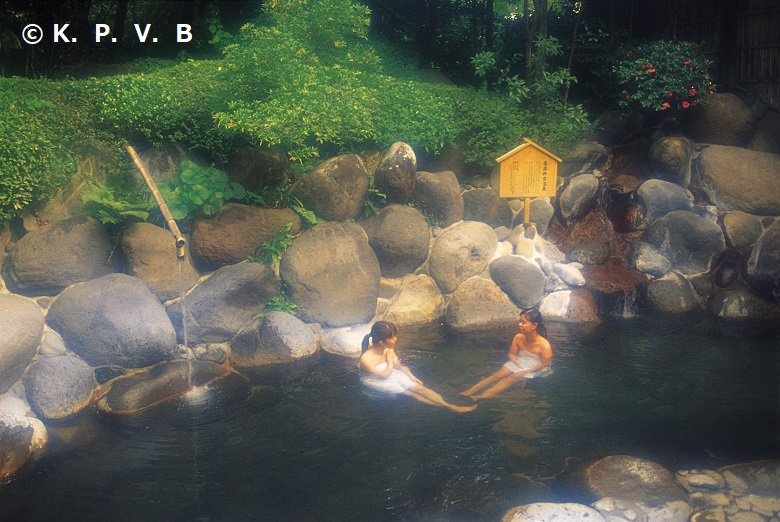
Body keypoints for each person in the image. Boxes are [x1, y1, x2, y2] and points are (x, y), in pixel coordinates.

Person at [359, 321, 476, 413]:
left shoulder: (387, 348)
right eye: (392, 337)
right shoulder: (366, 359)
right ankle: (450, 407)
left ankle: (448, 405)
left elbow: (398, 364)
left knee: (418, 388)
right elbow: (385, 375)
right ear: (381, 342)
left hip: (389, 372)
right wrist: (389, 361)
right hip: (375, 380)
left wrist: (411, 376)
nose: (396, 339)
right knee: (409, 392)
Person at [462, 309, 552, 400]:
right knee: (497, 375)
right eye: (519, 321)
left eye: (523, 322)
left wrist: (524, 372)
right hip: (520, 362)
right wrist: (514, 359)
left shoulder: (544, 345)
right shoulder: (518, 337)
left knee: (512, 377)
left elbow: (544, 364)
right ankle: (467, 392)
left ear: (534, 325)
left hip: (536, 367)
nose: (519, 324)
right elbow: (511, 354)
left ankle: (480, 397)